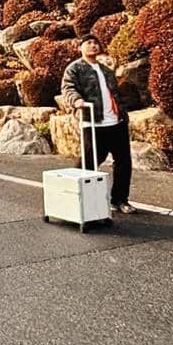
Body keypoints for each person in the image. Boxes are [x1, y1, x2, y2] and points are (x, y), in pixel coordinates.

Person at [61, 34, 135, 216]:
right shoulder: (75, 68)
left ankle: (119, 200)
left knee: (123, 162)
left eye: (96, 43)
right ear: (80, 47)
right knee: (89, 161)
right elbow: (68, 88)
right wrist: (76, 100)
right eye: (89, 43)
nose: (93, 45)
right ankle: (72, 195)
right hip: (93, 122)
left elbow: (114, 94)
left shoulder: (106, 70)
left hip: (116, 122)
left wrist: (123, 112)